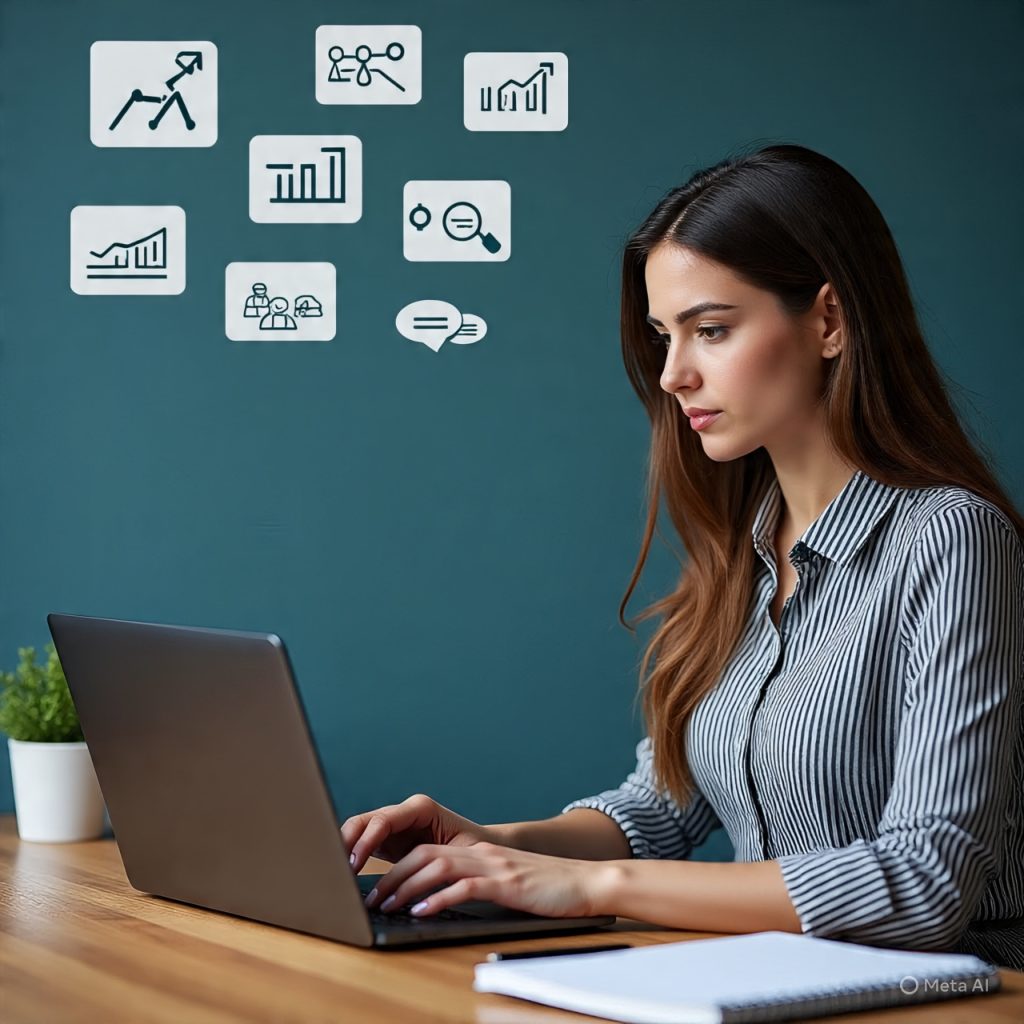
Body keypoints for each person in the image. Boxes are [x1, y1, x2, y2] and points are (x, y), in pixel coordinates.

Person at [342, 144, 1024, 968]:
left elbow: (926, 882)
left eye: (711, 330)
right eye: (665, 336)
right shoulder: (745, 549)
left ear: (830, 321)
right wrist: (488, 843)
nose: (672, 374)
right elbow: (660, 808)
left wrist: (599, 888)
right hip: (777, 983)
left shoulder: (952, 540)